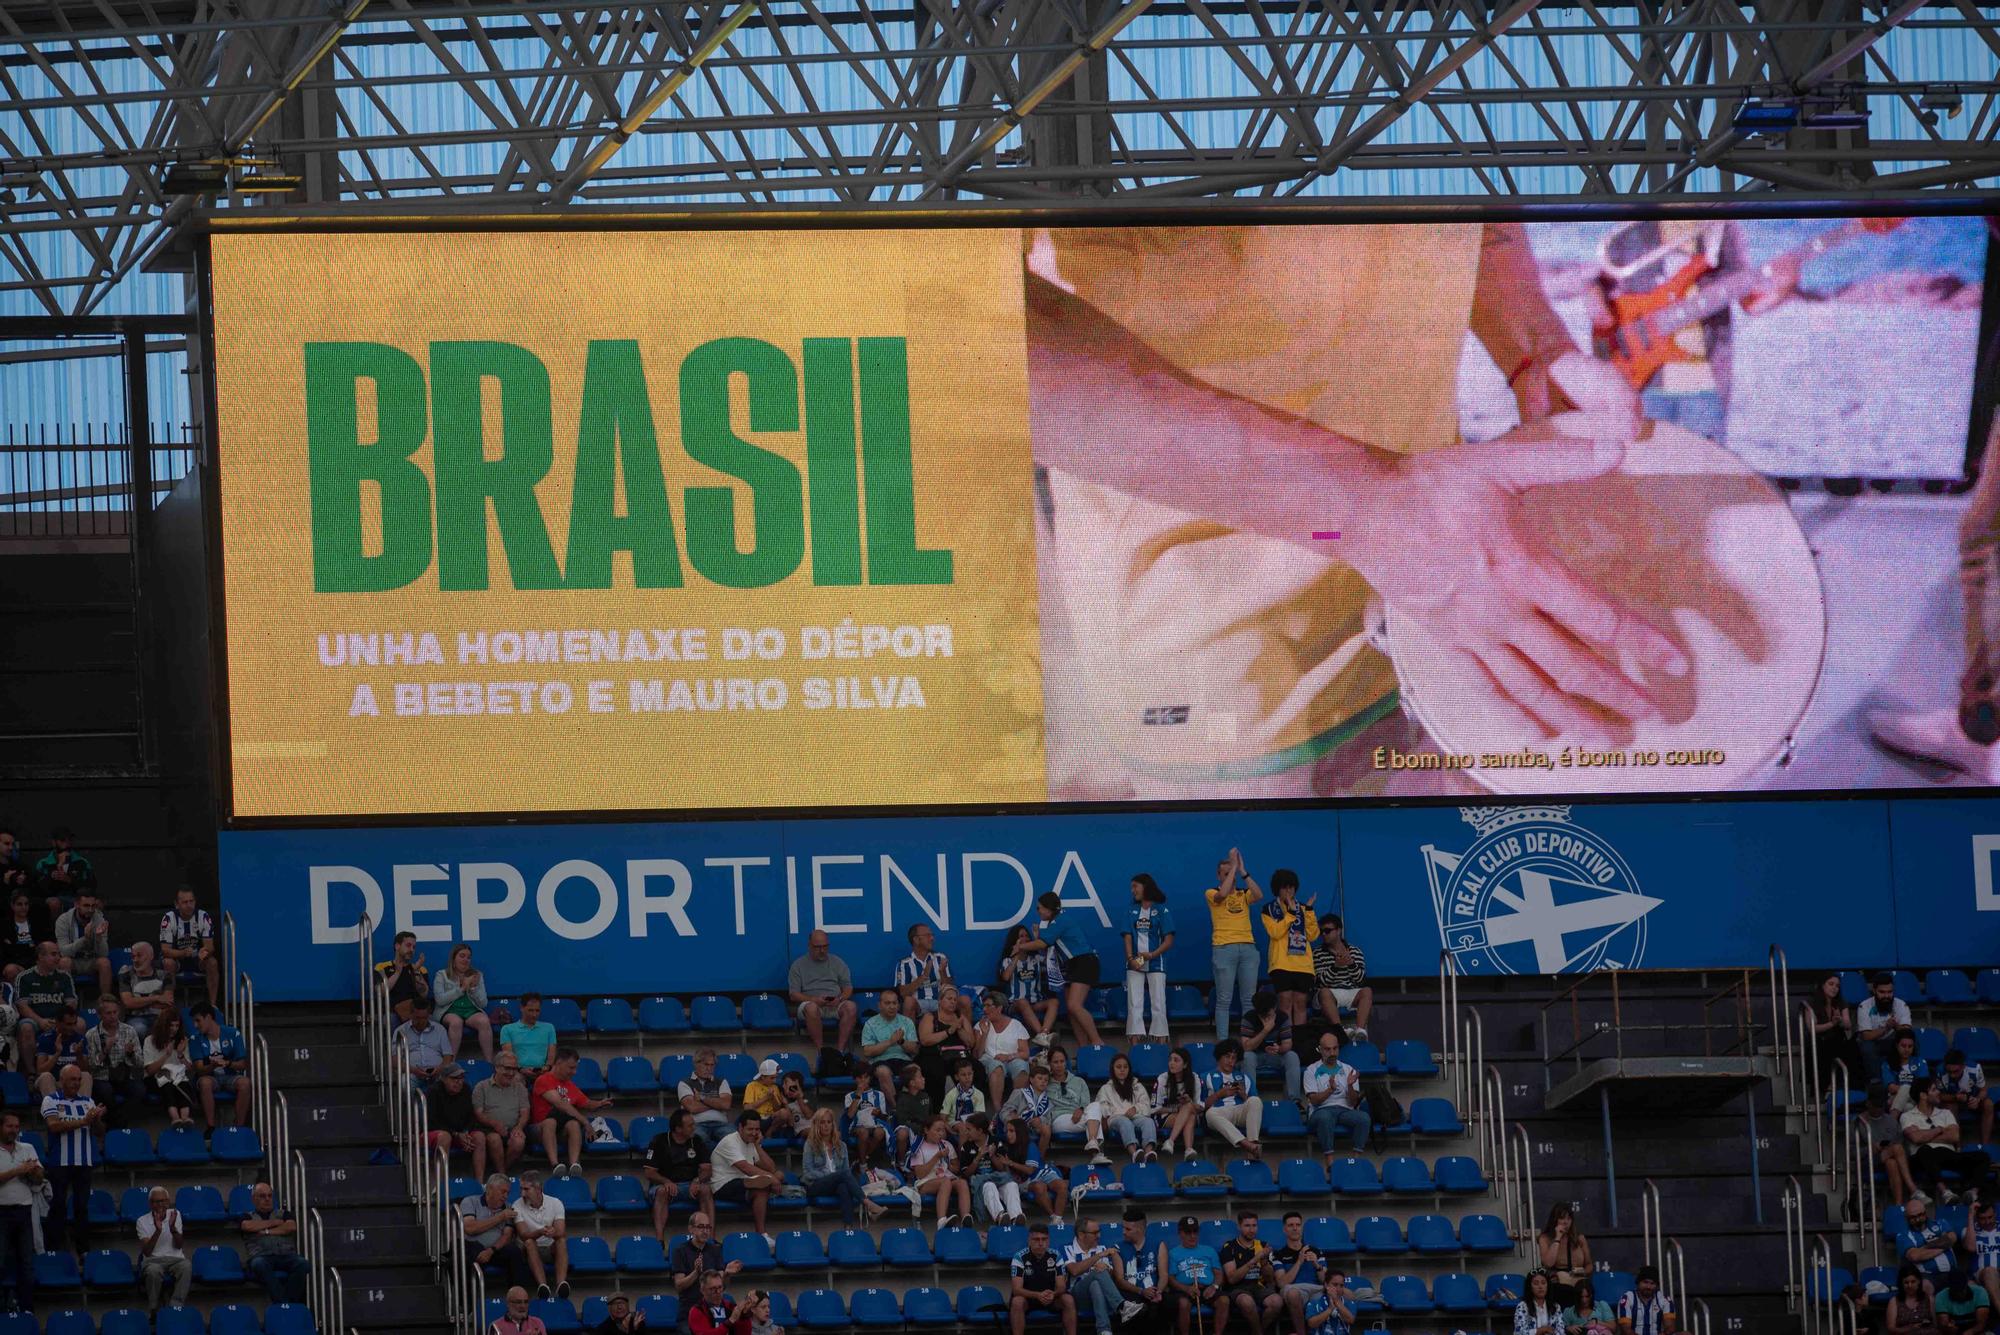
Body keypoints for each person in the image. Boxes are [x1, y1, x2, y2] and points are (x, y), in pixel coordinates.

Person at [1023, 892, 1105, 1050]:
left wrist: (1020, 947)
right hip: (1072, 964)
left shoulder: (1060, 920)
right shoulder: (1054, 922)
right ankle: (1083, 1049)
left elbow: (1041, 944)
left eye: (1039, 908)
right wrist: (1037, 936)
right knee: (1071, 1009)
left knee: (1075, 1005)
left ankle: (1097, 1042)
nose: (1037, 911)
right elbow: (1045, 947)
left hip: (1084, 961)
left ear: (1048, 909)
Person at [39, 1062, 101, 1254]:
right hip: (60, 1162)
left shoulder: (88, 1102)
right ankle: (53, 1250)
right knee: (57, 1206)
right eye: (72, 1079)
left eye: (78, 1079)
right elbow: (53, 1126)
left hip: (84, 1162)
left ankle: (83, 1251)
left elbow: (98, 1132)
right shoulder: (51, 1100)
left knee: (82, 1207)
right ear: (62, 1081)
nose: (76, 1083)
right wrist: (83, 1121)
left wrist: (97, 1119)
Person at [1905, 1077, 1997, 1201]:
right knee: (1924, 1150)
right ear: (1923, 1095)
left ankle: (1972, 1192)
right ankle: (1945, 1192)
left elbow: (1954, 1136)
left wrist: (1924, 1134)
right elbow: (1916, 1138)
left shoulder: (1945, 1113)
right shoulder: (1907, 1116)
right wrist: (1939, 1129)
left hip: (1946, 1154)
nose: (1938, 1092)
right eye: (1933, 1090)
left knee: (1983, 1156)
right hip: (1921, 1158)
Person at [533, 1047, 612, 1178]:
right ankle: (555, 1164)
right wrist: (585, 1122)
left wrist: (599, 1103)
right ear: (558, 1063)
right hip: (539, 1129)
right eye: (571, 1068)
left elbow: (586, 1103)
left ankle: (574, 1164)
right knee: (550, 1122)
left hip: (560, 1130)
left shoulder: (569, 1085)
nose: (574, 1072)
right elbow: (560, 1104)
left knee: (573, 1125)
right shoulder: (543, 1080)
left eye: (575, 1068)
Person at [645, 1108, 718, 1241]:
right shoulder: (659, 1141)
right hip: (666, 1185)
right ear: (678, 1129)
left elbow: (707, 1169)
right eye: (690, 1125)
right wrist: (666, 1181)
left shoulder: (697, 1140)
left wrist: (697, 1180)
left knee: (706, 1190)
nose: (694, 1128)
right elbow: (649, 1172)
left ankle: (710, 1238)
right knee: (661, 1192)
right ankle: (659, 1239)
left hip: (690, 1185)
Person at [710, 1111, 782, 1244]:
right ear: (740, 1128)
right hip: (723, 1185)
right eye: (750, 1129)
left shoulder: (750, 1142)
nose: (754, 1133)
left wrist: (756, 1145)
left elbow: (771, 1167)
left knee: (775, 1177)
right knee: (764, 1183)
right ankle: (761, 1234)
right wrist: (771, 1179)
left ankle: (762, 1234)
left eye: (757, 1129)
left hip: (745, 1182)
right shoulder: (730, 1141)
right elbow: (746, 1168)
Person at [1261, 870, 1319, 1030]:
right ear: (1277, 889)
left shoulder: (1303, 907)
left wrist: (1309, 911)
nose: (1289, 891)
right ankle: (1287, 1039)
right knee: (1285, 1002)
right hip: (1281, 963)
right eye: (1284, 887)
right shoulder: (1269, 909)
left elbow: (1313, 935)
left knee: (1300, 1004)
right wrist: (1291, 914)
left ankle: (1299, 1042)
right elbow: (1275, 932)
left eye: (1291, 887)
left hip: (1303, 965)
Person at [800, 1105, 876, 1225]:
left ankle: (848, 1227)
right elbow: (807, 1172)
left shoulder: (841, 1146)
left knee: (844, 1187)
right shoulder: (810, 1144)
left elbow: (845, 1172)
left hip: (836, 1184)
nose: (826, 1125)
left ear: (833, 1124)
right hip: (815, 1185)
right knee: (842, 1176)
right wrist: (830, 1175)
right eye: (822, 1122)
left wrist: (836, 1177)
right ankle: (868, 1203)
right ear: (817, 1125)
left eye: (829, 1122)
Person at [1303, 1028, 1369, 1164]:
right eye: (1327, 1049)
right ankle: (1330, 1162)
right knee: (1325, 1117)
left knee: (1364, 1118)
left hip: (1344, 1110)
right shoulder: (1311, 1070)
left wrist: (1350, 1086)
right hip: (1320, 1110)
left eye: (1335, 1049)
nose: (1332, 1053)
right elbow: (1314, 1101)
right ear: (1320, 1050)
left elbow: (1353, 1102)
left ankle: (1356, 1160)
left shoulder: (1348, 1069)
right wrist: (1329, 1090)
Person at [461, 1174, 536, 1291]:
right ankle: (466, 1305)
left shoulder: (508, 1207)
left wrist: (491, 1251)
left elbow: (507, 1235)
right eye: (503, 1192)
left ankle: (517, 1295)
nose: (506, 1196)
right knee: (465, 1253)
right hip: (472, 1247)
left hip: (496, 1249)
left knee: (514, 1251)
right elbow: (470, 1228)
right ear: (489, 1189)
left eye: (508, 1193)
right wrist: (500, 1217)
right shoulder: (470, 1201)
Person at [787, 930, 857, 1055]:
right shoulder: (798, 965)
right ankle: (821, 1051)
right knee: (811, 1008)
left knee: (851, 1007)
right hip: (810, 1003)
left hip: (834, 1003)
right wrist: (814, 999)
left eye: (825, 946)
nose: (822, 950)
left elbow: (848, 988)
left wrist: (839, 999)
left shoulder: (837, 962)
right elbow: (793, 994)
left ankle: (840, 1051)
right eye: (818, 947)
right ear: (809, 945)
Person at [1122, 874, 1174, 1040]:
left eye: (1135, 886)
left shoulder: (1161, 910)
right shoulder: (1131, 910)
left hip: (1156, 962)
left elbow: (1169, 940)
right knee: (1134, 1004)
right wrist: (1131, 959)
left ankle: (1159, 1043)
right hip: (1135, 963)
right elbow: (1128, 936)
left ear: (1146, 887)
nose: (1133, 890)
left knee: (1158, 1003)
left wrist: (1151, 955)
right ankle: (1136, 1045)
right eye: (1132, 887)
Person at [241, 1181, 309, 1304]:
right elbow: (247, 1226)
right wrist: (275, 1223)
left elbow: (291, 1226)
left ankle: (285, 1304)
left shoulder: (284, 1213)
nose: (267, 1199)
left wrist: (266, 1231)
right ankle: (284, 1304)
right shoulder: (247, 1216)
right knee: (259, 1264)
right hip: (261, 1256)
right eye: (262, 1196)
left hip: (285, 1255)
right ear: (254, 1199)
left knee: (302, 1263)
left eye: (270, 1196)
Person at [1218, 1209, 1284, 1335]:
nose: (1251, 1229)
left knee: (1277, 1302)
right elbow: (1232, 1278)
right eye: (1247, 1226)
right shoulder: (1229, 1247)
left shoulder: (1263, 1245)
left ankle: (1257, 1332)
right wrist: (1255, 1259)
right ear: (1239, 1226)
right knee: (1247, 1302)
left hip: (1258, 1286)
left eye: (1254, 1225)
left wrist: (1264, 1263)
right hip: (1237, 1288)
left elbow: (1270, 1280)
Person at [14, 940, 75, 1073]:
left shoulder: (64, 977)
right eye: (53, 954)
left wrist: (60, 1021)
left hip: (59, 1019)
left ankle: (71, 1070)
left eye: (59, 954)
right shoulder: (25, 977)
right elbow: (22, 1006)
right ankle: (31, 1072)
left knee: (80, 1024)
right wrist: (40, 1021)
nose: (58, 958)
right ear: (41, 956)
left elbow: (71, 1004)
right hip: (35, 1020)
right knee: (26, 1027)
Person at [1310, 915, 1373, 1042]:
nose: (1323, 934)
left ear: (1338, 930)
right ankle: (1340, 1030)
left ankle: (1360, 1031)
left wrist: (1351, 964)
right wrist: (1335, 967)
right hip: (1329, 992)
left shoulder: (1355, 951)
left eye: (1327, 931)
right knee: (1324, 992)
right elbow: (1320, 982)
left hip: (1350, 990)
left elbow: (1361, 980)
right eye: (1321, 931)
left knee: (1367, 991)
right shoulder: (1317, 953)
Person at [189, 1001, 251, 1131]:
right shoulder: (195, 1039)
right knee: (205, 1083)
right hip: (210, 1076)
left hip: (230, 1075)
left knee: (245, 1083)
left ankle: (239, 1127)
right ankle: (211, 1127)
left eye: (198, 1021)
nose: (195, 1025)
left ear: (209, 1018)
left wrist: (228, 1063)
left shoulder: (233, 1033)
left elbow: (243, 1064)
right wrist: (212, 1066)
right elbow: (199, 1070)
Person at [84, 995, 144, 1125]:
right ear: (100, 1015)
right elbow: (90, 1066)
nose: (112, 1016)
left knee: (139, 1090)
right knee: (105, 1092)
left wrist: (131, 1053)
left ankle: (117, 1123)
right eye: (108, 1013)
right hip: (102, 1077)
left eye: (115, 1012)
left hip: (124, 1075)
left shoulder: (129, 1031)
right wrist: (105, 1050)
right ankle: (116, 1125)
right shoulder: (92, 1034)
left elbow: (140, 1063)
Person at [1046, 1046, 1112, 1164]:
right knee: (1095, 1120)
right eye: (1055, 1062)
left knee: (1096, 1105)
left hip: (1080, 1115)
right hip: (1059, 1119)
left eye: (1062, 1061)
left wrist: (1080, 1109)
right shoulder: (1046, 1083)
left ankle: (1092, 1141)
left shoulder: (1079, 1081)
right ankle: (1096, 1153)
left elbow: (1086, 1102)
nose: (1059, 1065)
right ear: (1049, 1064)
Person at [0, 1113, 38, 1315]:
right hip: (1, 1212)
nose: (13, 1130)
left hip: (23, 1211)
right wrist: (18, 1170)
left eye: (16, 1126)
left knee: (26, 1262)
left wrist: (34, 1172)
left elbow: (40, 1179)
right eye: (9, 1126)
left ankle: (27, 1309)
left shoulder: (28, 1148)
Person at [513, 1170, 571, 1300]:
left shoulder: (555, 1203)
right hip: (528, 1248)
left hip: (549, 1246)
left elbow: (561, 1231)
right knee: (529, 1242)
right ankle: (543, 1285)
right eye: (521, 1189)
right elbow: (523, 1235)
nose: (522, 1193)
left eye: (526, 1189)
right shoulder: (517, 1205)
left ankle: (561, 1283)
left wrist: (553, 1232)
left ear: (538, 1188)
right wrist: (540, 1232)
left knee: (561, 1240)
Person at [1012, 1222, 1078, 1335]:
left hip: (1051, 1297)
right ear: (1029, 1240)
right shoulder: (1019, 1257)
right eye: (1036, 1239)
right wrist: (1037, 1295)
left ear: (1048, 1240)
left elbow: (1061, 1286)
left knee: (1068, 1300)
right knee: (1017, 1301)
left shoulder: (1056, 1255)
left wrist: (1054, 1293)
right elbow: (1016, 1289)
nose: (1041, 1243)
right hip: (1029, 1298)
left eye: (1044, 1239)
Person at [1203, 1038, 1265, 1159]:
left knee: (1255, 1100)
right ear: (1219, 1057)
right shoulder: (1206, 1077)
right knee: (1210, 1113)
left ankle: (1252, 1145)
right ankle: (1248, 1145)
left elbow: (1254, 1106)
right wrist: (1219, 1094)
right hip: (1219, 1112)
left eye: (1234, 1058)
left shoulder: (1244, 1078)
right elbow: (1201, 1106)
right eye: (1227, 1056)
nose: (1230, 1061)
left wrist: (1244, 1096)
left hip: (1240, 1111)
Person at [158, 886, 220, 1007]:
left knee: (212, 962)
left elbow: (210, 946)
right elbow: (165, 950)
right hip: (176, 960)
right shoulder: (169, 918)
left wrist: (206, 952)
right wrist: (183, 953)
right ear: (177, 904)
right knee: (168, 963)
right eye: (185, 902)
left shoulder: (203, 916)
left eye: (191, 901)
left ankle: (213, 1006)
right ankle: (170, 1005)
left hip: (197, 960)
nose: (189, 905)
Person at [1063, 1217, 1125, 1335]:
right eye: (1095, 1233)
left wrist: (1107, 1269)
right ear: (1081, 1235)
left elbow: (1111, 1278)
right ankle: (1122, 1306)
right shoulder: (1067, 1248)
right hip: (1078, 1297)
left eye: (1099, 1231)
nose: (1099, 1236)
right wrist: (1099, 1256)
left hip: (1099, 1296)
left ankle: (1104, 1331)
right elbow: (1075, 1270)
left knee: (1095, 1284)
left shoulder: (1101, 1248)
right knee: (1097, 1274)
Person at [434, 943, 495, 1062]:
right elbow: (440, 1000)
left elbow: (483, 1004)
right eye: (462, 956)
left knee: (484, 1021)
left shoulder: (477, 975)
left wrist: (473, 988)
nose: (466, 960)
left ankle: (489, 1062)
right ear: (453, 958)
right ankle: (450, 1063)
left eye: (468, 957)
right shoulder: (442, 975)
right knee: (456, 1022)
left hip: (470, 1011)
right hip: (449, 1011)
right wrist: (461, 989)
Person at [909, 1113, 973, 1227]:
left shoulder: (946, 1145)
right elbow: (919, 1174)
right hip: (925, 1183)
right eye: (937, 1130)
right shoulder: (918, 1147)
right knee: (945, 1181)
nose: (941, 1133)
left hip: (945, 1178)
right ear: (926, 1130)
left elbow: (956, 1168)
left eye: (943, 1130)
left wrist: (947, 1165)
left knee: (962, 1183)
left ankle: (965, 1218)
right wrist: (937, 1157)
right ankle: (942, 1221)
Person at [958, 1112, 1023, 1224]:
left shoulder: (996, 1142)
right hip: (980, 1183)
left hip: (999, 1179)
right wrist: (978, 1158)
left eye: (969, 1129)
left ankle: (1016, 1218)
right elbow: (966, 1174)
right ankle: (1000, 1217)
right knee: (989, 1185)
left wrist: (992, 1156)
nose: (966, 1132)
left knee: (1012, 1185)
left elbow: (1002, 1169)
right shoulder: (966, 1147)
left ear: (979, 1131)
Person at [669, 1212, 740, 1314]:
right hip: (690, 1308)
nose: (705, 1231)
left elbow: (722, 1286)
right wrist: (696, 1273)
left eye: (708, 1227)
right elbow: (679, 1286)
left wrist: (727, 1274)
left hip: (713, 1307)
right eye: (701, 1227)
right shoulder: (680, 1251)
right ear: (691, 1229)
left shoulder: (715, 1250)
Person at [916, 984, 978, 1100]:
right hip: (935, 1055)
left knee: (977, 1069)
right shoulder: (930, 1017)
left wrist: (959, 1028)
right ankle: (938, 1111)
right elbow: (925, 1040)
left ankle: (972, 1106)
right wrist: (949, 1031)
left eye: (955, 1000)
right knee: (935, 1072)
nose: (953, 1002)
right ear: (940, 1001)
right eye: (949, 999)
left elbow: (971, 1043)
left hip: (959, 1055)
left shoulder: (961, 1018)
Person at [1000, 923, 1058, 1047]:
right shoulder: (1008, 960)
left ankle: (1043, 1034)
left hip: (1034, 1002)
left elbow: (1048, 959)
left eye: (1027, 936)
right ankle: (1042, 1036)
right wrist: (1016, 954)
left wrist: (1037, 939)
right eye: (1021, 936)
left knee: (1054, 1002)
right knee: (1022, 1002)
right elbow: (1005, 977)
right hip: (1015, 1003)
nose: (1025, 939)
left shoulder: (1035, 959)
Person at [1241, 988, 1302, 1103]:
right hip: (1256, 1056)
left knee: (1292, 1056)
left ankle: (1294, 1101)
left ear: (1274, 1008)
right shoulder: (1249, 1017)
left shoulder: (1282, 1017)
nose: (1266, 1017)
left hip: (1276, 1056)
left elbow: (1288, 1044)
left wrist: (1280, 1048)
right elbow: (1246, 1047)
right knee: (1247, 1056)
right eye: (1262, 1015)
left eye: (1268, 1014)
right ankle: (1251, 1099)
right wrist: (1265, 1030)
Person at [1096, 1051, 1159, 1163]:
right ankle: (1134, 1153)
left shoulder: (1137, 1086)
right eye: (1118, 1067)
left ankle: (1148, 1152)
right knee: (1125, 1122)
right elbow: (1102, 1107)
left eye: (1125, 1067)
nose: (1122, 1070)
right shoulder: (1106, 1088)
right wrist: (1119, 1112)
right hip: (1116, 1119)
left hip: (1135, 1116)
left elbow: (1146, 1104)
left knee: (1148, 1122)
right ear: (1113, 1069)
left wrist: (1135, 1109)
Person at [474, 1053, 531, 1175]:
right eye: (507, 1068)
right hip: (488, 1129)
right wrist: (494, 1124)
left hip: (512, 1128)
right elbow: (479, 1113)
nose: (511, 1073)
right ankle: (502, 1174)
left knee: (519, 1141)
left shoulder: (520, 1088)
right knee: (494, 1139)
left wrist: (519, 1127)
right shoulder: (481, 1087)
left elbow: (525, 1112)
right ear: (496, 1067)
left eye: (514, 1069)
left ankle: (499, 1173)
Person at [1271, 1212, 1327, 1335]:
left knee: (1343, 1293)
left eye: (1298, 1225)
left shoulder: (1316, 1251)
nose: (1295, 1228)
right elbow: (1281, 1283)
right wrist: (1299, 1262)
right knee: (1293, 1294)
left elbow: (1324, 1280)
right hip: (1294, 1288)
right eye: (1291, 1225)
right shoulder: (1279, 1254)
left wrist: (1316, 1265)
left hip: (1316, 1289)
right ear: (1285, 1229)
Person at [137, 1185, 192, 1310]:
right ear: (150, 1204)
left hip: (175, 1259)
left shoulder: (175, 1214)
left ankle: (175, 1306)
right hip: (153, 1260)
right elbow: (147, 1251)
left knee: (186, 1266)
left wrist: (173, 1229)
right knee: (153, 1271)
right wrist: (158, 1230)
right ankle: (154, 1308)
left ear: (168, 1201)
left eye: (163, 1201)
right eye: (157, 1201)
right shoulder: (142, 1221)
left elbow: (179, 1245)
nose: (161, 1204)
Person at [977, 989, 1033, 1110]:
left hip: (1011, 1058)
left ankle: (1016, 1107)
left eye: (988, 1006)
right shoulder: (980, 1025)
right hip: (989, 1059)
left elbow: (1025, 1053)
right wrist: (984, 1034)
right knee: (996, 1066)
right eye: (983, 1006)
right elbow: (977, 1054)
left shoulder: (1016, 1025)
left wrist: (1008, 1057)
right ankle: (998, 1110)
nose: (984, 1009)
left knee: (1021, 1067)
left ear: (999, 1008)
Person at [429, 1063, 487, 1179]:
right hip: (435, 1132)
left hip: (459, 1133)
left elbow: (471, 1116)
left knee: (479, 1137)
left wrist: (465, 1133)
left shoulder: (466, 1089)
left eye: (461, 1078)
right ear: (444, 1079)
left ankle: (479, 1184)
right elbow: (433, 1122)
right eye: (454, 1078)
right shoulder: (434, 1091)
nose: (459, 1082)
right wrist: (455, 1134)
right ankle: (441, 1186)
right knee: (445, 1137)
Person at [1166, 1215, 1222, 1335]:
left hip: (1208, 1288)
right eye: (1188, 1232)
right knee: (1184, 1304)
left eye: (1195, 1232)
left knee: (1224, 1301)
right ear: (1180, 1233)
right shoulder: (1173, 1253)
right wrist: (1186, 1288)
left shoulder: (1209, 1250)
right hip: (1184, 1289)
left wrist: (1214, 1286)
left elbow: (1218, 1273)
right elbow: (1170, 1279)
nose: (1192, 1236)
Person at [50, 890, 112, 997]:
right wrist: (85, 939)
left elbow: (104, 953)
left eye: (93, 906)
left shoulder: (100, 920)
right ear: (77, 904)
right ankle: (68, 1000)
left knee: (105, 963)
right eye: (86, 905)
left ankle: (106, 1001)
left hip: (91, 960)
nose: (90, 909)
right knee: (64, 962)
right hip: (73, 960)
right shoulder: (63, 920)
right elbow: (63, 951)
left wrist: (98, 938)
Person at [1809, 973, 1865, 1089]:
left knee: (1852, 1046)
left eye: (1837, 986)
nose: (1835, 988)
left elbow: (1848, 1025)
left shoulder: (1841, 1002)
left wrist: (1839, 1021)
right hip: (1818, 1041)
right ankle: (1828, 1087)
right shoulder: (1811, 1004)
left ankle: (1852, 1088)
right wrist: (1832, 1024)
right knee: (1828, 1046)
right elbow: (1812, 1028)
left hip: (1837, 1039)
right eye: (1831, 984)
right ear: (1822, 985)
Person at [142, 1007, 197, 1126]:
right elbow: (150, 1071)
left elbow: (190, 1070)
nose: (174, 1029)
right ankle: (175, 1118)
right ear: (163, 1025)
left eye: (177, 1026)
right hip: (156, 1077)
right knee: (168, 1086)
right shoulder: (149, 1040)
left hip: (177, 1077)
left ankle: (185, 1118)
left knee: (183, 1084)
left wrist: (180, 1054)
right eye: (171, 1026)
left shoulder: (182, 1041)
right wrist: (166, 1055)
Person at [1900, 1195, 1966, 1284]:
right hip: (1927, 1276)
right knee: (1925, 1286)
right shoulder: (1903, 1235)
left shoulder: (1940, 1223)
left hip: (1952, 1272)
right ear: (1906, 1218)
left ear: (1925, 1212)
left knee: (1971, 1285)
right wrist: (1944, 1244)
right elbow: (1914, 1256)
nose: (1918, 1219)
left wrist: (1924, 1248)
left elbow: (1952, 1238)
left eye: (1920, 1215)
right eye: (1913, 1217)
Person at [1538, 1203, 1594, 1305]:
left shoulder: (1579, 1238)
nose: (1565, 1222)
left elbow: (1589, 1265)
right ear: (1555, 1220)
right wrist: (1557, 1238)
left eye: (1568, 1219)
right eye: (1562, 1218)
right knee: (1562, 1290)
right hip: (1559, 1282)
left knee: (1585, 1290)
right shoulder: (1545, 1238)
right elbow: (1548, 1263)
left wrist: (1580, 1273)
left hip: (1578, 1279)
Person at [116, 940, 176, 1036]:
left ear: (151, 956)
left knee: (171, 1028)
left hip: (160, 1017)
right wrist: (156, 998)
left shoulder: (165, 975)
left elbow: (168, 1001)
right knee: (139, 1028)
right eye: (133, 956)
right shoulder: (126, 974)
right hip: (135, 1017)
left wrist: (138, 1002)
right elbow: (128, 1003)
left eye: (139, 956)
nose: (135, 960)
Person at [860, 989, 919, 1082]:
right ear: (879, 1005)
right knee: (883, 1072)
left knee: (915, 1071)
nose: (892, 1006)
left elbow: (914, 1049)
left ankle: (908, 1097)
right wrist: (890, 1042)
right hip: (880, 1061)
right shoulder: (870, 1023)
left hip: (903, 1059)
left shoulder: (907, 1022)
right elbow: (867, 1052)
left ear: (898, 1006)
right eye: (887, 1003)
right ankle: (893, 1097)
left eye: (894, 1003)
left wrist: (901, 1041)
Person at [1153, 1046, 1202, 1161]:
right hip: (1166, 1116)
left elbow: (1200, 1107)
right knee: (1188, 1112)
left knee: (1189, 1108)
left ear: (1185, 1065)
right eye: (1170, 1059)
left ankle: (1170, 1141)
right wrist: (1176, 1109)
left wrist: (1189, 1103)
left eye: (1176, 1060)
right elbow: (1155, 1108)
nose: (1171, 1063)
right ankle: (1188, 1149)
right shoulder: (1162, 1078)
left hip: (1192, 1114)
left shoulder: (1195, 1078)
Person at [1939, 1049, 1995, 1146]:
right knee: (1950, 1107)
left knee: (1988, 1104)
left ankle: (1985, 1145)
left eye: (1956, 1071)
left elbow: (1983, 1090)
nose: (1952, 1075)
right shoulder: (1940, 1071)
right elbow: (1940, 1096)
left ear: (1963, 1066)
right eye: (1949, 1071)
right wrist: (1955, 1097)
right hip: (1953, 1100)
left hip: (1973, 1098)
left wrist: (1977, 1099)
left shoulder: (1975, 1068)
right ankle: (1957, 1146)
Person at [894, 924, 953, 1017]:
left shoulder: (940, 958)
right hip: (918, 1004)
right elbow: (903, 993)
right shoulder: (904, 964)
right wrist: (923, 976)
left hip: (940, 1002)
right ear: (916, 940)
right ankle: (910, 1032)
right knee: (908, 1002)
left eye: (932, 935)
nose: (932, 938)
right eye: (928, 935)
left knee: (964, 1000)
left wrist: (942, 972)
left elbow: (950, 989)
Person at [1002, 1061, 1058, 1159]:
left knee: (1046, 1129)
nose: (1043, 1082)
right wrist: (1013, 1118)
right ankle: (1016, 1159)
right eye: (1040, 1078)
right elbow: (1005, 1111)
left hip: (1034, 1129)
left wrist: (1040, 1120)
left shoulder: (1048, 1101)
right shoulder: (1019, 1093)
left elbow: (1049, 1118)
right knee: (1016, 1126)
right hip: (1017, 1126)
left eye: (1046, 1080)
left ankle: (1039, 1160)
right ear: (1031, 1079)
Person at [679, 1048, 735, 1144]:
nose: (709, 1068)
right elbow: (692, 1107)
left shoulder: (721, 1082)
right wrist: (717, 1104)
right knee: (698, 1140)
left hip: (721, 1124)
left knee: (734, 1138)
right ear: (696, 1064)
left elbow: (726, 1105)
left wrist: (702, 1098)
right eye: (706, 1064)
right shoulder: (684, 1083)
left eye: (712, 1065)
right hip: (696, 1124)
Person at [34, 828, 94, 918]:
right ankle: (55, 931)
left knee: (90, 903)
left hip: (75, 897)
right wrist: (52, 876)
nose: (67, 844)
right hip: (54, 898)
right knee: (54, 903)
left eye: (69, 840)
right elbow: (37, 889)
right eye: (62, 840)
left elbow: (90, 885)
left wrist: (70, 880)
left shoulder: (82, 862)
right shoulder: (44, 863)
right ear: (54, 842)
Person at [396, 996, 455, 1087]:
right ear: (411, 1014)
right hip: (412, 1073)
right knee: (404, 1083)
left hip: (438, 1073)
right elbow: (394, 1061)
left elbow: (448, 1057)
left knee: (449, 1080)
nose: (421, 1021)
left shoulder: (440, 1029)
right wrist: (413, 1070)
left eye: (424, 1018)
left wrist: (439, 1069)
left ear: (429, 1016)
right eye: (418, 1018)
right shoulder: (400, 1032)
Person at [1860, 975, 1916, 1067]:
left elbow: (1907, 1032)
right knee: (1867, 1047)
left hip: (1893, 1041)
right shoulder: (1864, 1006)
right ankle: (1876, 1080)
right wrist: (1886, 1028)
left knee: (1912, 1042)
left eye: (1890, 992)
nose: (1886, 996)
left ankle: (1910, 1074)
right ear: (1874, 991)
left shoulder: (1901, 1005)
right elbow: (1866, 1036)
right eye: (1882, 992)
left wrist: (1896, 1026)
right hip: (1873, 1042)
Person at [841, 1063, 890, 1166]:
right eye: (860, 1077)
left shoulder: (879, 1095)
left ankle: (862, 1157)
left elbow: (884, 1117)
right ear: (855, 1079)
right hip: (856, 1126)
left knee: (880, 1132)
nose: (863, 1080)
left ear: (870, 1078)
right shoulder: (849, 1096)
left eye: (866, 1077)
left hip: (874, 1125)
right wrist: (858, 1095)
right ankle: (863, 1164)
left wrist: (878, 1113)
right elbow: (849, 1115)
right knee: (863, 1132)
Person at [33, 1004, 87, 1097]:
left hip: (72, 1083)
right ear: (57, 1022)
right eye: (68, 1024)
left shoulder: (80, 1039)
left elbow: (85, 1070)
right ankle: (54, 1109)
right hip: (53, 1082)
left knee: (86, 1076)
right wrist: (57, 1053)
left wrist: (79, 1055)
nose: (72, 1028)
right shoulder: (45, 1039)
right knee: (46, 1076)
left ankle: (83, 1109)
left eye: (75, 1023)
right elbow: (40, 1071)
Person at [499, 993, 557, 1076]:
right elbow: (508, 1056)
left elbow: (551, 1055)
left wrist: (547, 1067)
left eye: (537, 1011)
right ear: (521, 1008)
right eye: (530, 1010)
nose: (534, 1015)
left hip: (543, 1072)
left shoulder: (549, 1028)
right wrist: (520, 1069)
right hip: (517, 1072)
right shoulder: (507, 1029)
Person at [689, 1268, 753, 1335]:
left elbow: (745, 1333)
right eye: (713, 1289)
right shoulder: (697, 1311)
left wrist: (744, 1316)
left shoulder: (730, 1307)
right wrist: (730, 1321)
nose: (718, 1292)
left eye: (720, 1287)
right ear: (702, 1290)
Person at [0, 894, 46, 983]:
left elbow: (40, 947)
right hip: (14, 963)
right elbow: (5, 952)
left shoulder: (36, 923)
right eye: (19, 904)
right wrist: (28, 946)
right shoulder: (4, 925)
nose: (23, 907)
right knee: (11, 970)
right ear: (12, 906)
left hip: (35, 962)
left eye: (26, 904)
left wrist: (15, 947)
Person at [743, 1060, 794, 1138]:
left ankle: (769, 1132)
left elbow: (777, 1109)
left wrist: (773, 1098)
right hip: (756, 1119)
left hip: (771, 1119)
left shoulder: (775, 1087)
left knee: (784, 1113)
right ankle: (759, 1133)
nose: (774, 1081)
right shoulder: (752, 1086)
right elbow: (747, 1108)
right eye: (772, 1078)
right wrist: (766, 1098)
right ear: (763, 1077)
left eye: (775, 1078)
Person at [1887, 1029, 1931, 1113]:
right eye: (1903, 1046)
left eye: (1910, 1046)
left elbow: (1922, 1087)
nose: (1907, 1049)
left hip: (1916, 1098)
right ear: (1896, 1045)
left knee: (1906, 1088)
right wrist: (1906, 1090)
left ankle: (1892, 1120)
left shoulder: (1920, 1062)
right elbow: (1891, 1088)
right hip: (1895, 1098)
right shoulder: (1888, 1064)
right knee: (1908, 1107)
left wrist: (1906, 1089)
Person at [1886, 1265, 1939, 1335]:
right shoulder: (1894, 1301)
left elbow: (1936, 1325)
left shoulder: (1929, 1299)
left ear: (1919, 1281)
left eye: (1913, 1282)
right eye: (1906, 1283)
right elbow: (1891, 1329)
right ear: (1901, 1284)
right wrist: (1908, 1329)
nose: (1910, 1286)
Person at [1516, 1269, 1568, 1335]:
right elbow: (1519, 1333)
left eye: (1543, 1283)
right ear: (1530, 1287)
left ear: (1548, 1286)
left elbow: (1561, 1331)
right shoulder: (1522, 1306)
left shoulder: (1555, 1306)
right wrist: (1542, 1330)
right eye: (1536, 1283)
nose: (1540, 1287)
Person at [1969, 1199, 1999, 1312]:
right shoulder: (1970, 1230)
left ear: (1995, 1214)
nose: (1987, 1222)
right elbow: (1971, 1247)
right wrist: (1970, 1215)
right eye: (1982, 1218)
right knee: (1990, 1271)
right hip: (1981, 1275)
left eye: (1990, 1217)